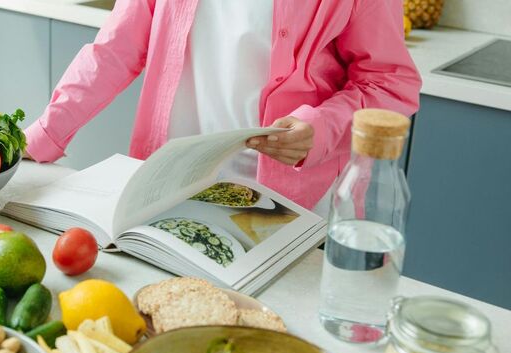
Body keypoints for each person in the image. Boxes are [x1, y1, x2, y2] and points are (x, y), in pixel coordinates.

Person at [23, 0, 421, 215]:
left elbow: (390, 82)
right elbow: (114, 49)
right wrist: (41, 135)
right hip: (172, 185)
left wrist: (322, 129)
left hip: (289, 204)